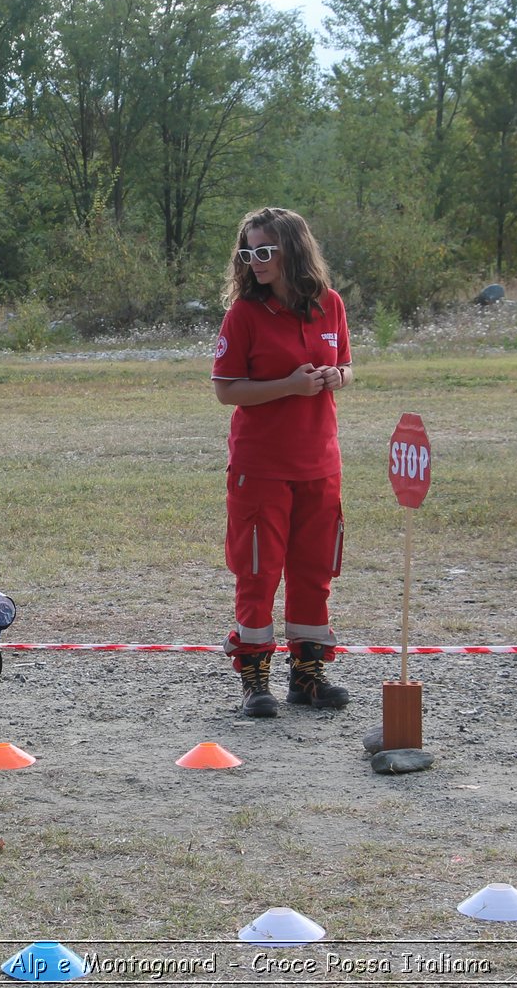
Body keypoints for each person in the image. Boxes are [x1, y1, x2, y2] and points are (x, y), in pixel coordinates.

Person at [211, 207, 352, 718]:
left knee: (315, 572)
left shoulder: (330, 304)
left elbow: (347, 366)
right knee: (258, 572)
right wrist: (288, 386)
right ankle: (255, 680)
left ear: (293, 249)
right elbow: (227, 390)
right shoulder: (244, 314)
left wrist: (338, 377)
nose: (256, 262)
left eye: (265, 251)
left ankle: (308, 676)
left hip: (321, 464)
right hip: (261, 467)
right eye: (247, 253)